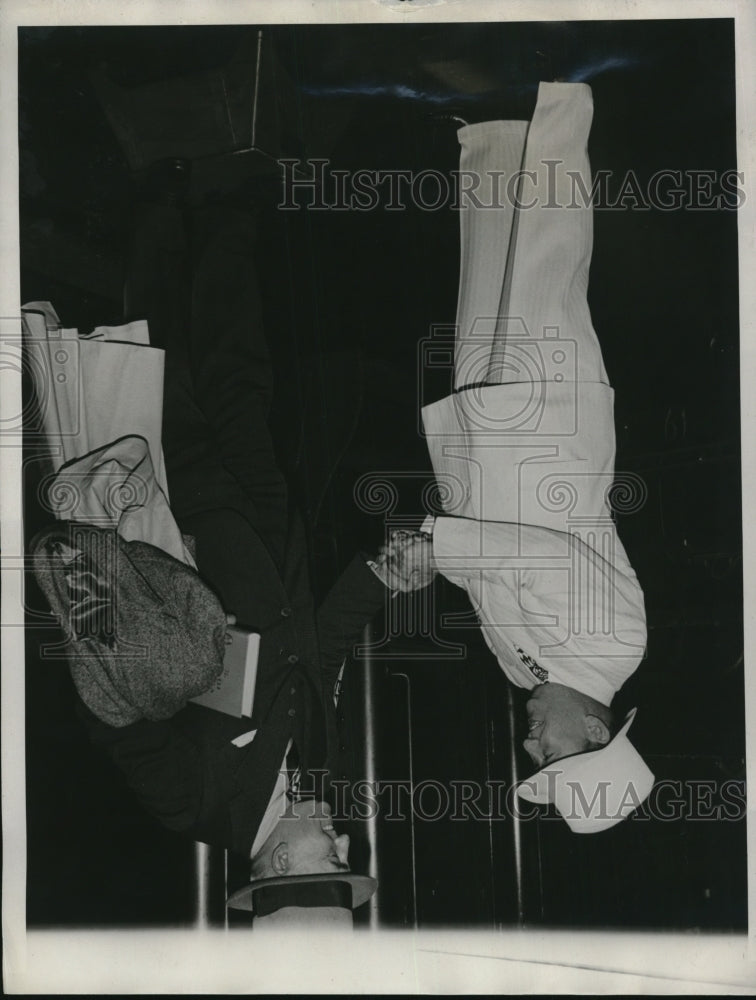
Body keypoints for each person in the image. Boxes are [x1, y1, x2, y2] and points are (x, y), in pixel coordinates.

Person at [30, 179, 393, 901]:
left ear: (282, 866)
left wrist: (129, 564)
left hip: (172, 525)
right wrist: (380, 580)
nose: (343, 836)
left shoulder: (191, 804)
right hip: (265, 528)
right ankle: (230, 208)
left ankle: (159, 205)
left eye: (335, 855)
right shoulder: (324, 773)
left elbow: (106, 695)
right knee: (240, 380)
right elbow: (317, 654)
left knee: (162, 363)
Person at [381, 82, 654, 833]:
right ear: (596, 733)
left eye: (535, 760)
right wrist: (440, 549)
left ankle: (493, 126)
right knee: (548, 251)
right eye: (553, 755)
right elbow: (542, 560)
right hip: (550, 425)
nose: (532, 744)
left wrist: (422, 562)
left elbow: (488, 573)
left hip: (485, 440)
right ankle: (562, 92)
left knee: (492, 261)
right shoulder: (618, 645)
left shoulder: (521, 670)